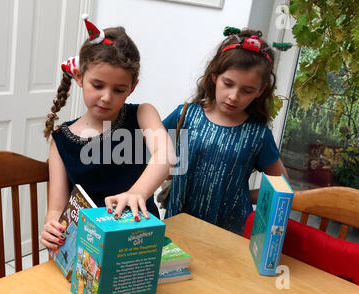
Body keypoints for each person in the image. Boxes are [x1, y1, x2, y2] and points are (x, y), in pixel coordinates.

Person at [41, 15, 175, 251]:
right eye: (98, 85)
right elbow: (56, 209)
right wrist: (52, 226)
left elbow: (165, 155)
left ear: (131, 88)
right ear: (79, 77)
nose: (106, 97)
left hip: (141, 239)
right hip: (89, 249)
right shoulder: (61, 140)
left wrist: (136, 194)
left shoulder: (143, 114)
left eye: (118, 89)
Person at [162, 27, 289, 235]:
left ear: (261, 91)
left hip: (228, 237)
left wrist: (243, 196)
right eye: (228, 84)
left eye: (247, 90)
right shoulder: (185, 115)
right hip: (177, 228)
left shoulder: (258, 136)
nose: (234, 96)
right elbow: (145, 154)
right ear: (214, 77)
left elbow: (281, 186)